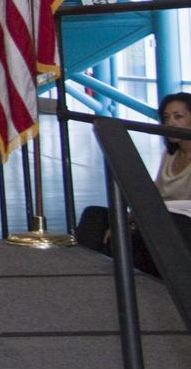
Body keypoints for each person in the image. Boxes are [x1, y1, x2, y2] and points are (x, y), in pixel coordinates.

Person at [76, 92, 191, 275]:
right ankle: (85, 273)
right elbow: (153, 194)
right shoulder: (170, 155)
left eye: (178, 117)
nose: (171, 122)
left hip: (180, 222)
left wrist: (147, 215)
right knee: (95, 216)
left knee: (160, 228)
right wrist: (131, 217)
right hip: (158, 217)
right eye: (166, 117)